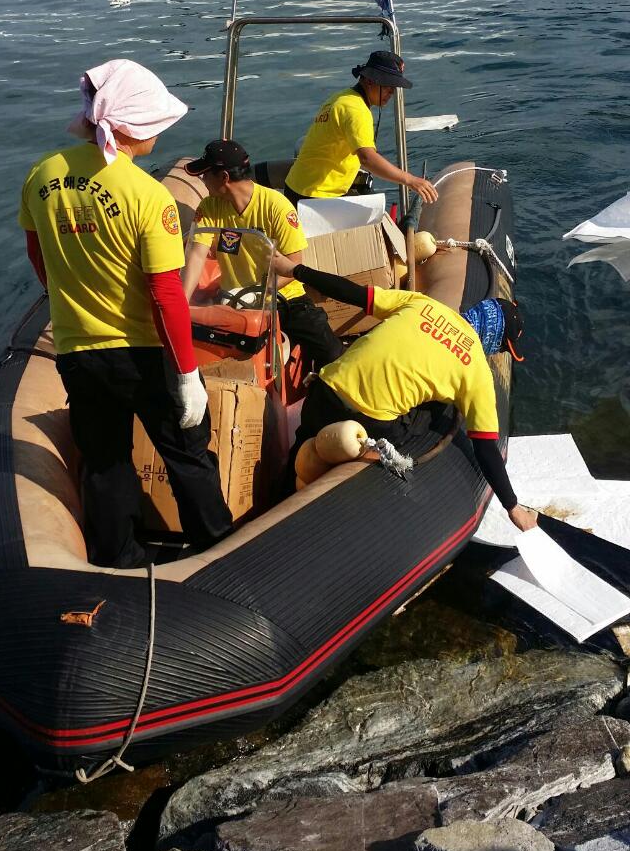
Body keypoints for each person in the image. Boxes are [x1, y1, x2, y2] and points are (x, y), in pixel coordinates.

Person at [19, 59, 232, 569]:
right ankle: (218, 552)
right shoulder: (147, 195)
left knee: (105, 461)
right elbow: (165, 294)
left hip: (77, 351)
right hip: (144, 354)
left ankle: (119, 560)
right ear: (135, 126)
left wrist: (71, 302)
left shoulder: (42, 175)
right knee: (187, 454)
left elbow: (39, 256)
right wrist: (187, 374)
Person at [271, 250, 536, 533]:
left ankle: (272, 502)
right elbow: (485, 447)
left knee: (299, 454)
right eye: (501, 347)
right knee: (442, 410)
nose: (497, 353)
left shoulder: (422, 303)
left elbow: (350, 292)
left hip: (324, 392)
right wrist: (513, 506)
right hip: (368, 423)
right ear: (494, 338)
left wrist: (294, 270)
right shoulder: (477, 371)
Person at [182, 140, 343, 371]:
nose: (203, 180)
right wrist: (182, 302)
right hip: (233, 302)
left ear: (224, 177)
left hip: (283, 297)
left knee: (331, 352)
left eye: (205, 174)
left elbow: (295, 264)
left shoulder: (276, 207)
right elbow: (196, 254)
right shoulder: (209, 207)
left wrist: (260, 293)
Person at [284, 50, 438, 206]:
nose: (392, 92)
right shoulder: (357, 110)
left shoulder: (342, 97)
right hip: (314, 196)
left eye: (394, 86)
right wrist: (410, 180)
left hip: (297, 187)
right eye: (387, 85)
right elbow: (367, 158)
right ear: (370, 80)